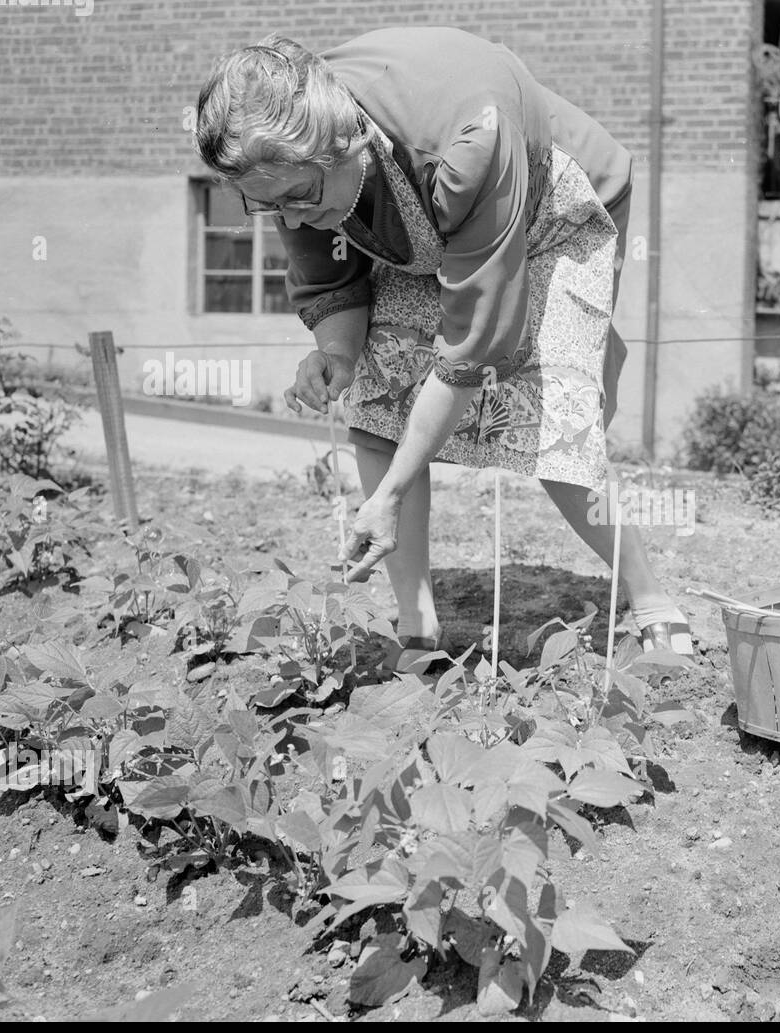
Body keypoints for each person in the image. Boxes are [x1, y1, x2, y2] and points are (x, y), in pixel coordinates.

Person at [194, 27, 694, 668]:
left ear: (346, 142)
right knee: (377, 396)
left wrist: (393, 491)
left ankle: (649, 596)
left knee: (548, 419)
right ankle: (418, 623)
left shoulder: (468, 140)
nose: (288, 219)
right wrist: (340, 354)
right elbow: (329, 272)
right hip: (422, 218)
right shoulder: (295, 166)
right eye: (265, 208)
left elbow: (472, 343)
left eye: (296, 200)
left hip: (553, 209)